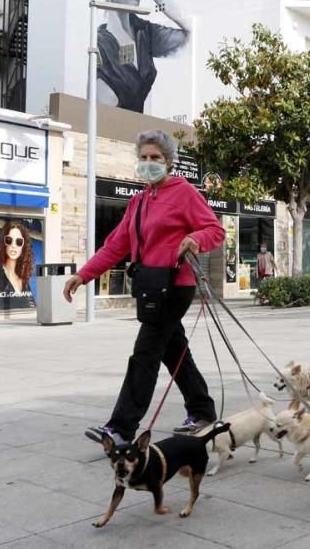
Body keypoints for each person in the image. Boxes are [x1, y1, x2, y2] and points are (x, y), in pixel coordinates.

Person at [63, 129, 225, 445]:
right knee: (173, 348)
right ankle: (203, 411)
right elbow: (115, 246)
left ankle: (122, 428)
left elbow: (214, 230)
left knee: (146, 352)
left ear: (169, 162)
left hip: (174, 286)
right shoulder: (137, 202)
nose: (149, 163)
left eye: (156, 158)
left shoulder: (184, 193)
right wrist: (83, 275)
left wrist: (194, 239)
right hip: (150, 286)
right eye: (144, 158)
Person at [0, 220, 36, 310]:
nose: (13, 245)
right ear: (3, 242)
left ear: (23, 247)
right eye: (9, 240)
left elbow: (32, 309)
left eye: (19, 242)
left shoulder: (22, 277)